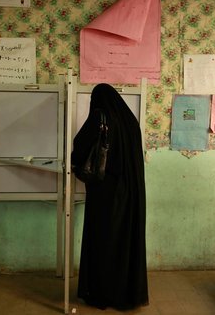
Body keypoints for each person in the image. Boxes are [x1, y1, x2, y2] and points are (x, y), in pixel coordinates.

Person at [71, 83, 148, 310]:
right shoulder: (130, 122)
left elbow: (81, 144)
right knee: (124, 242)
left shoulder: (99, 117)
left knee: (103, 242)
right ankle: (124, 293)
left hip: (105, 194)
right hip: (130, 194)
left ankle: (102, 292)